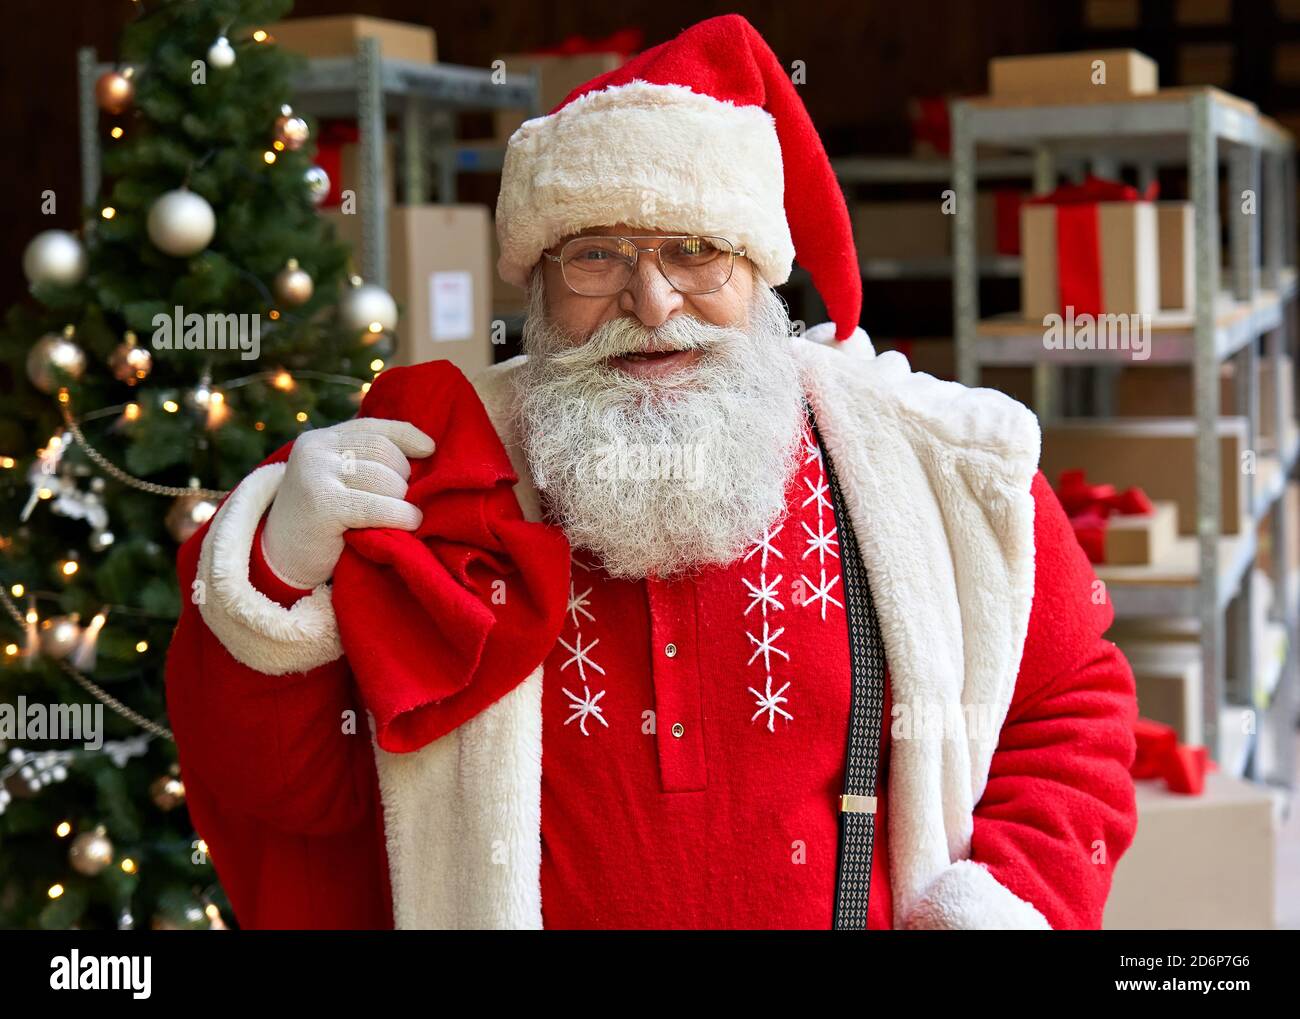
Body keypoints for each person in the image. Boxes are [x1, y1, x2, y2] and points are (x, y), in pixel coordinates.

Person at [165, 14, 1138, 930]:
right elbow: (295, 791)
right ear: (538, 281)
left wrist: (1007, 899)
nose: (653, 298)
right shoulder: (441, 474)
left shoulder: (934, 467)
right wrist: (282, 573)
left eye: (696, 251)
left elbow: (1071, 705)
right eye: (596, 256)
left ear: (759, 273)